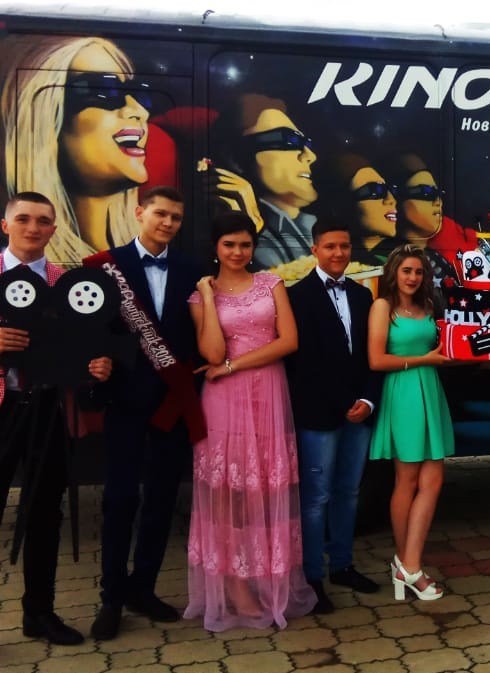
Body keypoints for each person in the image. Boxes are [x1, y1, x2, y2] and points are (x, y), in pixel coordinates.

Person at [0, 192, 113, 671]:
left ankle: (39, 612)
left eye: (43, 221)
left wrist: (96, 368)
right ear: (6, 224)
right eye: (24, 219)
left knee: (45, 517)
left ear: (54, 229)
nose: (33, 228)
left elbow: (79, 350)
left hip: (48, 412)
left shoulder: (65, 284)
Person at [184, 212, 316, 630]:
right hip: (224, 403)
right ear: (216, 247)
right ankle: (235, 586)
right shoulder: (199, 298)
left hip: (268, 394)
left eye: (245, 244)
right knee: (229, 495)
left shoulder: (271, 283)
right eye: (229, 244)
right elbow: (210, 353)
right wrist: (208, 297)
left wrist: (233, 365)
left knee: (265, 490)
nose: (238, 252)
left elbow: (289, 341)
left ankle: (267, 580)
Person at [88, 186, 205, 640]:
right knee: (120, 500)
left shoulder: (193, 270)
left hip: (173, 402)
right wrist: (93, 363)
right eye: (161, 214)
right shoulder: (105, 268)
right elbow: (90, 330)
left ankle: (144, 587)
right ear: (140, 213)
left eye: (176, 217)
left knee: (161, 499)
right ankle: (111, 597)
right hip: (124, 400)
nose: (168, 223)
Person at [285, 219, 384, 613]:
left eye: (344, 246)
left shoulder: (362, 296)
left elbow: (373, 356)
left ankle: (342, 565)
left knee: (349, 492)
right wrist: (344, 400)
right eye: (330, 246)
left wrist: (369, 400)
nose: (339, 253)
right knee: (316, 498)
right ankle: (312, 577)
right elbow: (303, 364)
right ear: (314, 250)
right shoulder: (296, 296)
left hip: (359, 413)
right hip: (319, 415)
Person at [0, 36, 150, 265]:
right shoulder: (5, 264)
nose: (139, 111)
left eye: (138, 93)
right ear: (49, 119)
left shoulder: (143, 256)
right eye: (103, 91)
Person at [367, 245, 453, 601]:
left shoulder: (429, 307)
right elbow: (376, 360)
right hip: (402, 393)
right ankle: (408, 566)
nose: (413, 277)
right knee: (407, 480)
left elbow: (443, 350)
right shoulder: (382, 307)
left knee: (432, 480)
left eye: (418, 271)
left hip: (430, 391)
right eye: (407, 271)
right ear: (394, 273)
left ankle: (407, 563)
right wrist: (423, 360)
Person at [215, 94, 318, 270]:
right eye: (289, 140)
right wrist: (251, 229)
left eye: (306, 143)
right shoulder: (237, 223)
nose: (310, 156)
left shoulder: (310, 224)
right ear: (237, 157)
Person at [318, 154, 401, 266]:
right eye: (374, 191)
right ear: (342, 204)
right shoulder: (328, 262)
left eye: (391, 190)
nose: (391, 200)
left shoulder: (403, 256)